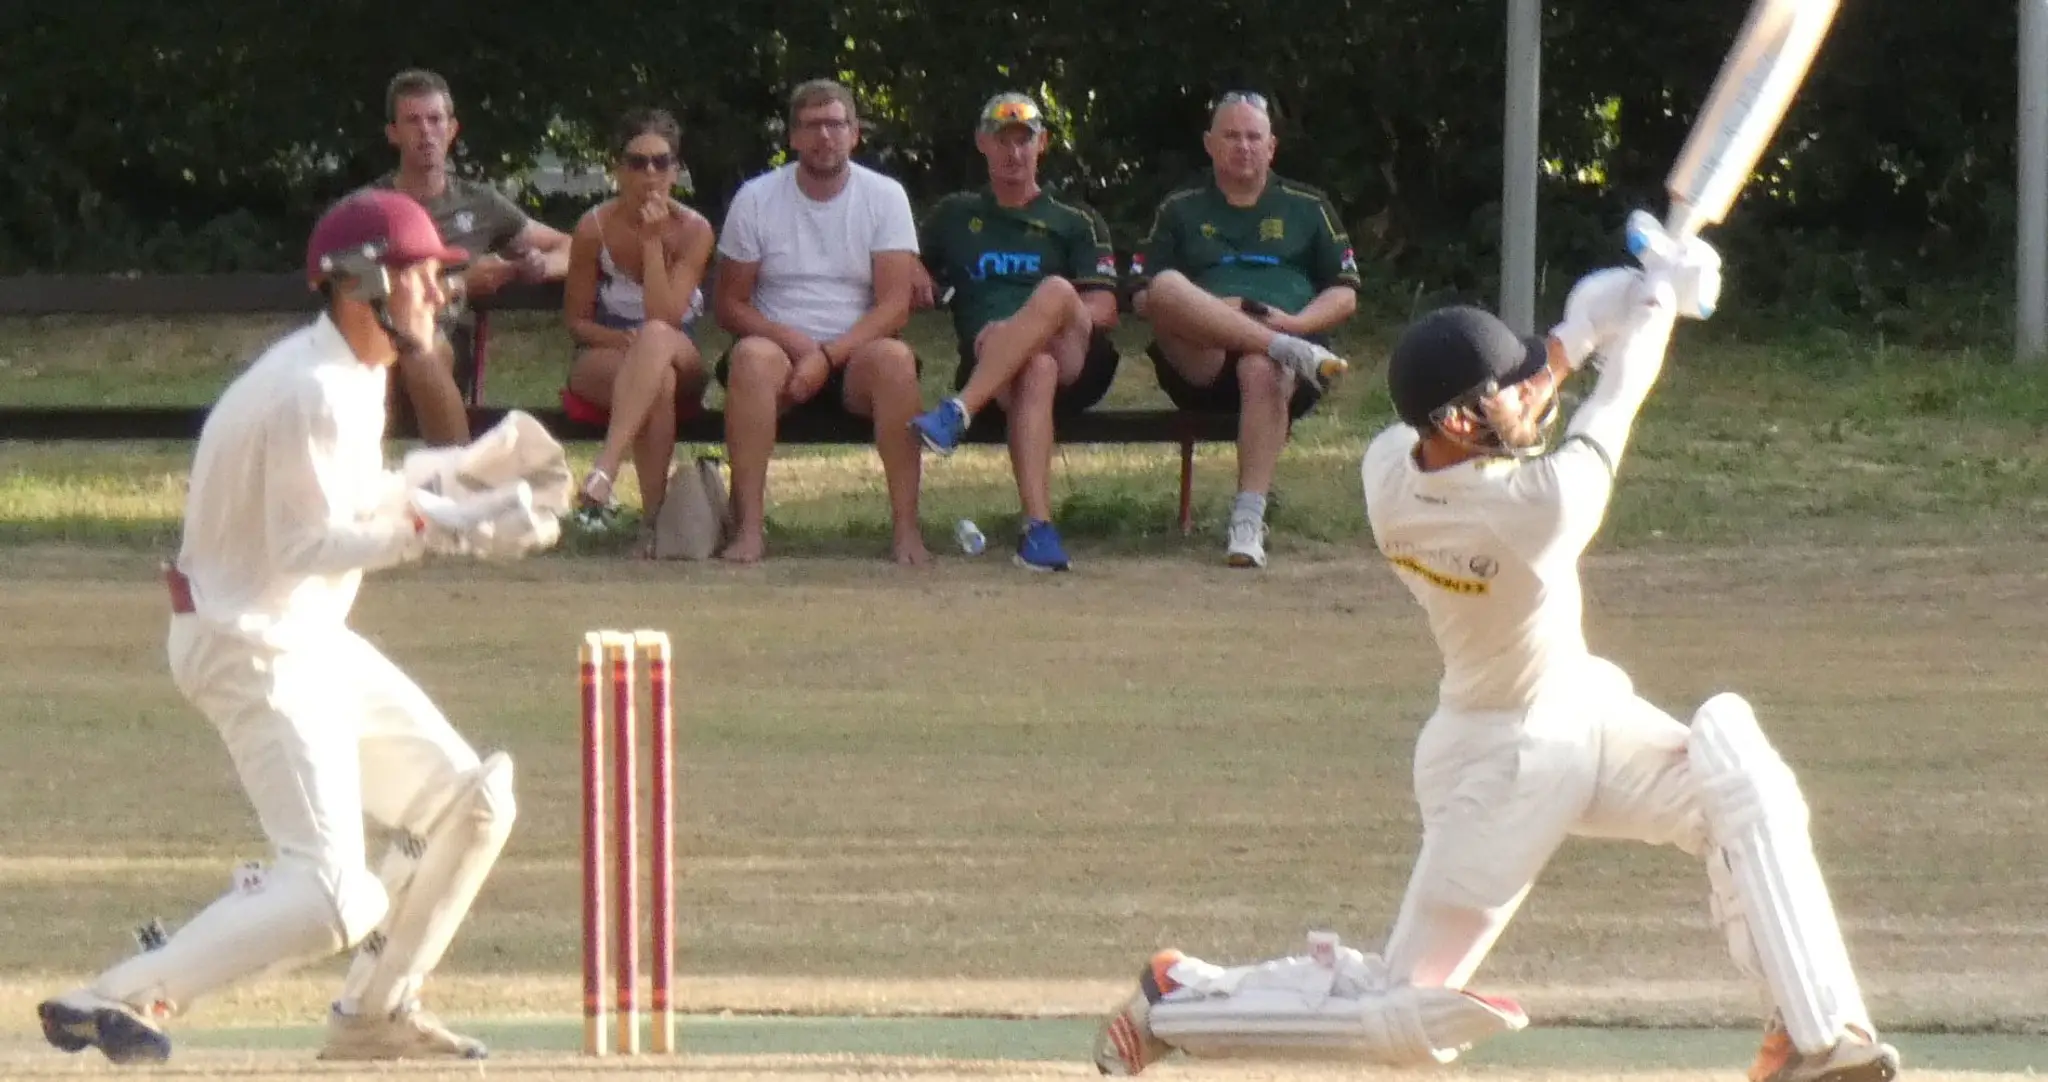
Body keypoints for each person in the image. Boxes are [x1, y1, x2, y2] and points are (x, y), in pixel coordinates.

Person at [1090, 225, 1904, 1082]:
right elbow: (1615, 401)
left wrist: (1581, 329)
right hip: (1503, 763)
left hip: (1580, 712)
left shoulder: (1389, 467)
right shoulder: (1534, 511)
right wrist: (1655, 307)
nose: (1532, 389)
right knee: (1402, 1013)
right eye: (1510, 387)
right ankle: (1175, 999)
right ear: (1459, 418)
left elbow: (1526, 392)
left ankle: (1813, 1036)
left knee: (1739, 779)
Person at [35, 190, 571, 1065]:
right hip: (249, 646)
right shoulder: (311, 389)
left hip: (300, 630)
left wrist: (450, 474)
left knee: (470, 801)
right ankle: (116, 995)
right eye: (423, 279)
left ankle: (374, 1014)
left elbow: (346, 503)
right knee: (334, 895)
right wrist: (446, 525)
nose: (441, 295)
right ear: (363, 282)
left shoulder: (353, 372)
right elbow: (310, 540)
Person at [1129, 91, 1358, 569]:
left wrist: (1294, 324)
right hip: (1202, 357)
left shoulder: (1308, 207)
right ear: (1209, 144)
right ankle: (1284, 347)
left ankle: (1248, 521)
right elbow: (1139, 296)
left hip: (1283, 353)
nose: (1244, 146)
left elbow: (1346, 293)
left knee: (1262, 365)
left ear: (1272, 147)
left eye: (1254, 137)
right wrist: (1224, 310)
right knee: (1166, 286)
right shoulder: (1180, 208)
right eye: (1231, 136)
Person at [712, 79, 928, 565]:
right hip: (777, 353)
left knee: (896, 361)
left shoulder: (886, 196)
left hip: (857, 356)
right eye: (812, 126)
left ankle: (907, 532)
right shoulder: (756, 198)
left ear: (855, 134)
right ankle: (748, 530)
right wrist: (798, 345)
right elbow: (730, 304)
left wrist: (829, 355)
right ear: (792, 137)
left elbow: (895, 306)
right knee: (749, 358)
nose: (824, 137)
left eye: (836, 124)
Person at [906, 92, 1122, 572]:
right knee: (1034, 366)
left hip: (1075, 351)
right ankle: (1039, 530)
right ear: (983, 144)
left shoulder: (1075, 221)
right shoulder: (954, 215)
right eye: (1002, 141)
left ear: (1041, 144)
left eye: (1024, 141)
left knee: (1055, 291)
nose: (1014, 153)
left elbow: (1105, 307)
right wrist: (913, 274)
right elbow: (903, 267)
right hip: (996, 359)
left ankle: (958, 411)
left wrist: (1032, 323)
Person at [369, 68, 571, 446]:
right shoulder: (369, 208)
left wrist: (541, 266)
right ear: (393, 134)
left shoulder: (479, 204)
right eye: (413, 121)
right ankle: (457, 484)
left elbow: (571, 247)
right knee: (414, 344)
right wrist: (462, 282)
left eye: (435, 119)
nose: (426, 132)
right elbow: (355, 292)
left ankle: (454, 485)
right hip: (376, 341)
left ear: (452, 128)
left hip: (444, 344)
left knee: (425, 348)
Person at [561, 107, 712, 545]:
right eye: (637, 162)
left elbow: (666, 317)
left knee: (657, 338)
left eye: (661, 162)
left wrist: (651, 243)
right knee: (655, 381)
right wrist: (620, 340)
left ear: (676, 171)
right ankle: (654, 525)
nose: (650, 173)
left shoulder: (694, 230)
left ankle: (604, 470)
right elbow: (576, 322)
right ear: (618, 169)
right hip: (610, 353)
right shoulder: (594, 228)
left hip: (678, 345)